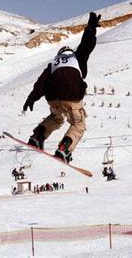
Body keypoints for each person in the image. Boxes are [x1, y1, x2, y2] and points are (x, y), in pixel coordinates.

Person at [23, 12, 102, 162]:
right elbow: (86, 45)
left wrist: (32, 97)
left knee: (56, 118)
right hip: (71, 95)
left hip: (53, 97)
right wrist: (91, 29)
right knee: (78, 124)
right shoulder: (76, 57)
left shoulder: (54, 63)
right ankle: (64, 149)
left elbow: (42, 80)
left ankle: (37, 137)